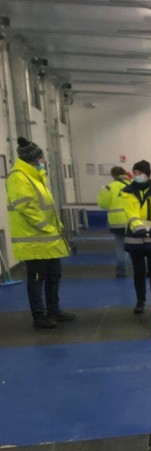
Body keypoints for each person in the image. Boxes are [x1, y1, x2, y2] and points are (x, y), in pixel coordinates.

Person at [5, 137, 75, 329]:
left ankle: (54, 311)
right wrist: (46, 226)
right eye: (42, 158)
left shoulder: (36, 177)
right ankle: (39, 316)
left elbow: (47, 207)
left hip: (49, 241)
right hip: (34, 241)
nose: (43, 161)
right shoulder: (18, 177)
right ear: (33, 159)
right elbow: (26, 208)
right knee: (36, 280)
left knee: (54, 276)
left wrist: (56, 228)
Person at [115, 160, 151, 314]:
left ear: (147, 174)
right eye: (135, 173)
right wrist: (138, 227)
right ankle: (140, 301)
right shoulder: (127, 192)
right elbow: (130, 212)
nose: (137, 176)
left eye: (140, 173)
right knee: (138, 272)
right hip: (135, 238)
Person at [97, 165, 132, 278]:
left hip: (116, 222)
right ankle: (144, 270)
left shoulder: (108, 188)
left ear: (113, 176)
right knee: (138, 247)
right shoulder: (132, 185)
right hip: (132, 221)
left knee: (120, 246)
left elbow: (103, 204)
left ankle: (121, 272)